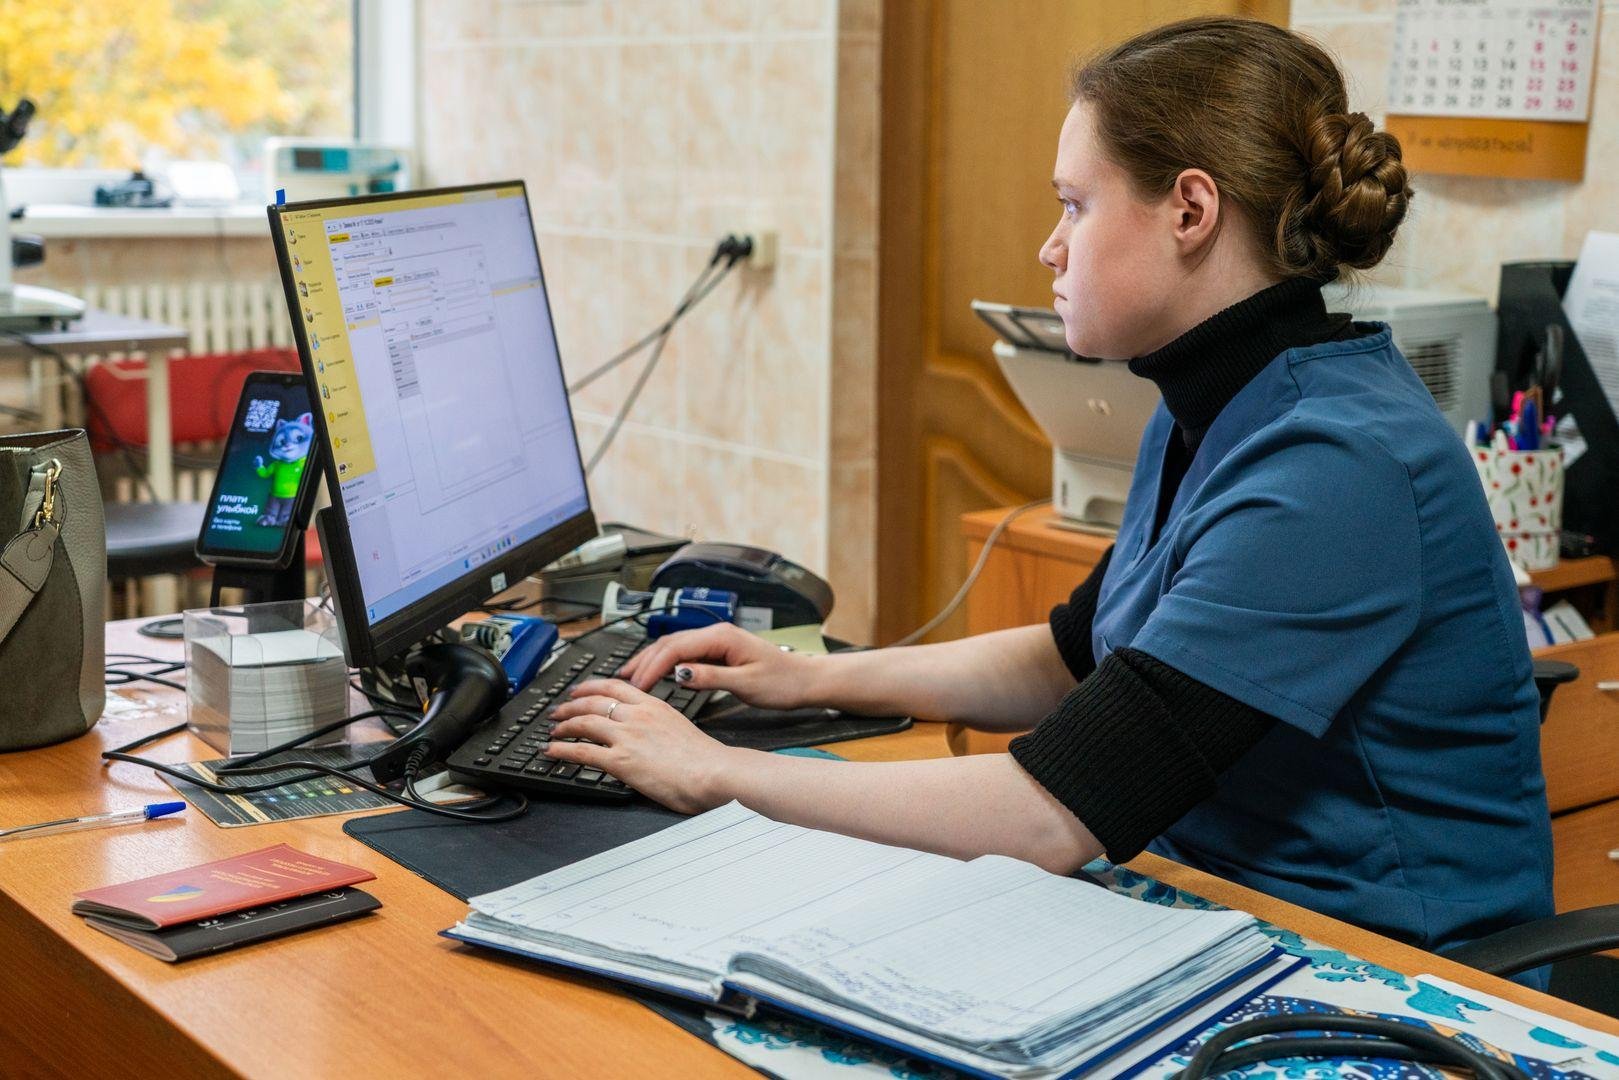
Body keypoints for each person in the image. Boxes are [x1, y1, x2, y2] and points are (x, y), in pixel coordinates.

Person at [547, 16, 1554, 977]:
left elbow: (1050, 812)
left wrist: (714, 771)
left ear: (1190, 211)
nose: (1050, 246)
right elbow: (1074, 655)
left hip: (1386, 966)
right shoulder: (1214, 406)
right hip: (1218, 908)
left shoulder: (1337, 467)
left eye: (1074, 204)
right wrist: (807, 677)